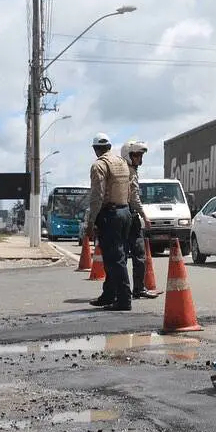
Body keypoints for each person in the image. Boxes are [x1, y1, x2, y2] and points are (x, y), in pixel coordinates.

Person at [85, 132, 133, 311]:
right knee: (116, 257)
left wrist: (91, 222)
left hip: (110, 214)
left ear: (96, 149)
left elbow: (96, 196)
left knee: (114, 259)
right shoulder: (122, 162)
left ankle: (123, 300)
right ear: (110, 147)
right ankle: (109, 295)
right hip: (125, 212)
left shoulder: (99, 166)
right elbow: (129, 190)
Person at [121, 139, 158, 299]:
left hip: (123, 216)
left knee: (124, 254)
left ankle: (130, 289)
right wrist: (144, 216)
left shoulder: (126, 170)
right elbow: (134, 197)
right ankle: (136, 289)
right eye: (136, 155)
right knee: (137, 253)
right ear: (129, 156)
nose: (139, 159)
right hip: (130, 216)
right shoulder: (130, 172)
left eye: (140, 155)